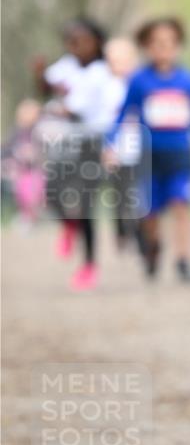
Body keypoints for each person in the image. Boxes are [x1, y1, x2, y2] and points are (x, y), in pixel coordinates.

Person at [105, 18, 190, 283]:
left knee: (182, 206)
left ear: (177, 46)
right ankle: (153, 247)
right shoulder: (139, 80)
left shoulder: (188, 80)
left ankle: (183, 260)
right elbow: (123, 115)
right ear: (147, 46)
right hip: (149, 158)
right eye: (157, 42)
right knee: (150, 213)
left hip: (180, 156)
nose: (163, 47)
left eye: (169, 42)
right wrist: (110, 145)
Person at [42, 18, 109, 291]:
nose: (77, 46)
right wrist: (38, 74)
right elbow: (46, 85)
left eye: (83, 40)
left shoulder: (101, 72)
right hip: (65, 141)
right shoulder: (65, 66)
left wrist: (64, 108)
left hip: (93, 143)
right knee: (51, 191)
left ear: (96, 42)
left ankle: (89, 266)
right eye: (72, 41)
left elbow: (81, 109)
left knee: (86, 204)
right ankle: (68, 224)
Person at [103, 38, 143, 251]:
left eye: (124, 60)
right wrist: (107, 148)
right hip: (116, 151)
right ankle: (121, 232)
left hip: (139, 149)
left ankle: (139, 235)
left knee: (139, 195)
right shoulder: (106, 88)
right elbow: (103, 122)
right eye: (114, 60)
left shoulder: (140, 84)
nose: (119, 65)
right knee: (120, 195)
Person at [2, 99, 45, 228]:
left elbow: (44, 151)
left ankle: (32, 217)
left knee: (34, 193)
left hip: (36, 170)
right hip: (20, 171)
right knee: (22, 195)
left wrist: (35, 153)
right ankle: (26, 217)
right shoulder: (16, 132)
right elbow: (7, 149)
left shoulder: (40, 132)